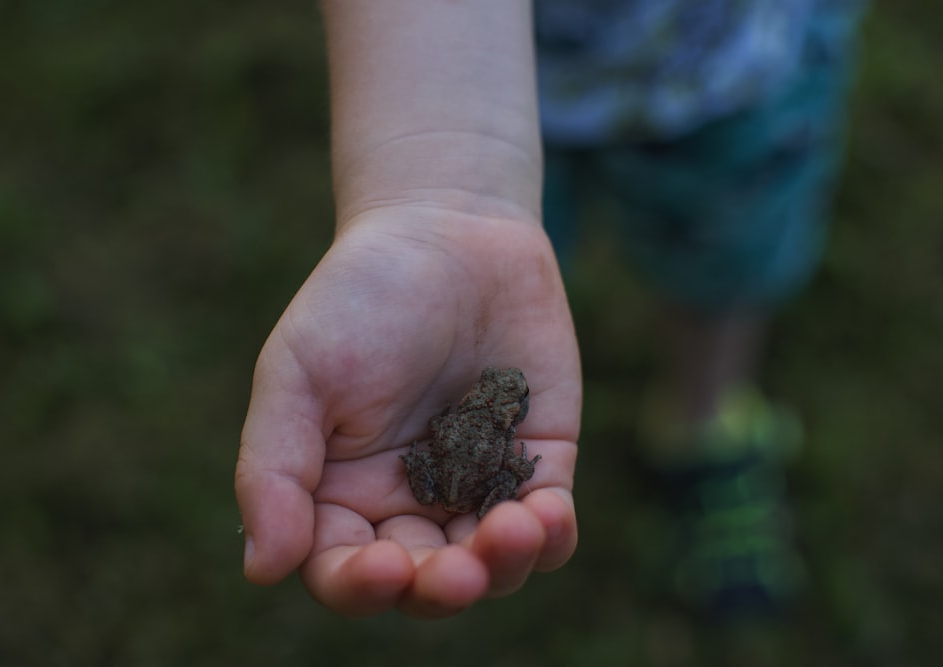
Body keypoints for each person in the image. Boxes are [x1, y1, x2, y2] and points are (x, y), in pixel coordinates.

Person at [234, 0, 865, 618]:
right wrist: (437, 194)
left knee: (723, 259)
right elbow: (485, 453)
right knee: (534, 264)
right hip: (499, 89)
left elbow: (438, 445)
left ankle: (705, 416)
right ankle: (705, 420)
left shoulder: (465, 420)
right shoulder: (493, 437)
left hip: (732, 63)